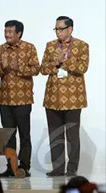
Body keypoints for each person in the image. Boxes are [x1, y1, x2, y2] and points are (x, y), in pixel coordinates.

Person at [0, 20, 40, 177]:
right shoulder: (0, 49)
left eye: (10, 32)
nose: (7, 34)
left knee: (24, 135)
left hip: (23, 100)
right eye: (5, 31)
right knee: (8, 136)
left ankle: (24, 167)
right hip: (5, 100)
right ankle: (11, 166)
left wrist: (18, 67)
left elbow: (36, 69)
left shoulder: (29, 47)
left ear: (19, 33)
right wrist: (2, 68)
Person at [40, 16, 89, 177]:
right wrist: (55, 63)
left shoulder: (82, 45)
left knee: (72, 137)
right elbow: (43, 69)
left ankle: (72, 169)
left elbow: (82, 67)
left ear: (70, 29)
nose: (58, 32)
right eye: (56, 29)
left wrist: (64, 61)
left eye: (60, 29)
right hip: (52, 98)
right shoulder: (50, 46)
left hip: (74, 99)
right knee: (55, 135)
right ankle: (58, 168)